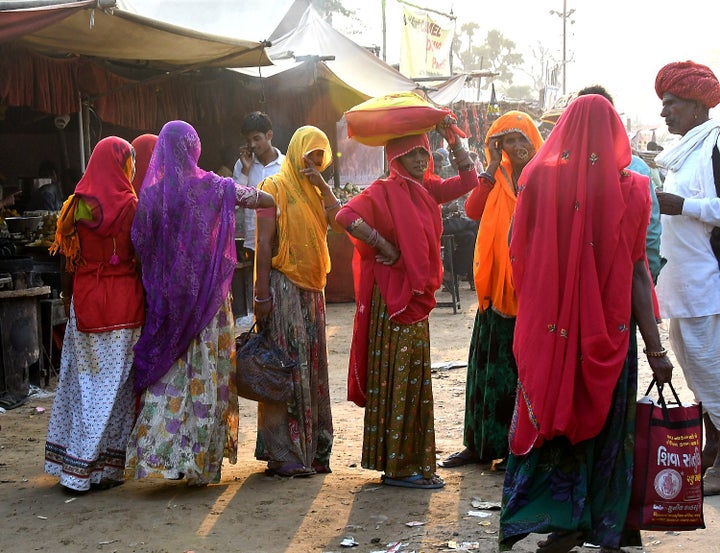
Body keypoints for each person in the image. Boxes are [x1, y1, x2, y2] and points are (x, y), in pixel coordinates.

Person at [499, 95, 673, 553]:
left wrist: (546, 308)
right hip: (611, 336)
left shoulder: (536, 179)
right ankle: (604, 524)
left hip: (550, 333)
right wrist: (657, 350)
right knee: (608, 425)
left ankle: (557, 519)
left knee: (552, 415)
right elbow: (639, 272)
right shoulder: (633, 188)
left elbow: (516, 252)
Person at [125, 120, 274, 486]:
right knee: (208, 374)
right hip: (208, 298)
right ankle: (201, 463)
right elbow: (264, 200)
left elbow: (140, 243)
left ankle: (164, 457)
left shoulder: (153, 194)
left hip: (168, 302)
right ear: (195, 148)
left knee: (170, 375)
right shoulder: (215, 186)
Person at [335, 119, 480, 489]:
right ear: (396, 155)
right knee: (401, 377)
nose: (420, 159)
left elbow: (468, 183)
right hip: (395, 298)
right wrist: (383, 245)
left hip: (414, 295)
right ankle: (400, 468)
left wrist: (452, 137)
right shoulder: (383, 190)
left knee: (408, 377)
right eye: (412, 153)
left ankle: (400, 463)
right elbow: (345, 216)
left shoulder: (427, 187)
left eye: (424, 152)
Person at [440, 111, 543, 469]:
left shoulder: (544, 177)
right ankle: (479, 445)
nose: (515, 148)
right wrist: (488, 170)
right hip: (493, 291)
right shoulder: (494, 177)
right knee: (485, 372)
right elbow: (471, 210)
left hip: (531, 293)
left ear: (533, 140)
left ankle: (519, 449)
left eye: (520, 139)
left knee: (523, 376)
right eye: (506, 142)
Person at [44, 136, 144, 493]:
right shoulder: (132, 205)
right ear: (121, 164)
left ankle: (76, 467)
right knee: (115, 390)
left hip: (86, 300)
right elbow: (140, 255)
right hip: (124, 303)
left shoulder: (77, 204)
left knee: (84, 385)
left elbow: (67, 258)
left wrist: (70, 296)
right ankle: (99, 470)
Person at [253, 125, 341, 477]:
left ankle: (315, 451)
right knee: (286, 367)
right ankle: (283, 453)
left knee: (313, 367)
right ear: (295, 153)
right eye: (309, 156)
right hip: (284, 287)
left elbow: (340, 221)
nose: (314, 163)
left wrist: (322, 184)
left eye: (321, 157)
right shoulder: (272, 188)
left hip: (313, 291)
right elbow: (262, 245)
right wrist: (260, 295)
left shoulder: (317, 192)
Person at [653, 60, 720, 494]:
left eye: (671, 103)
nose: (664, 113)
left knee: (712, 374)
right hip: (681, 283)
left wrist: (686, 207)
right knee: (697, 374)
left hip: (707, 285)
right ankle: (711, 454)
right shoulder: (682, 152)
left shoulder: (715, 145)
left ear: (697, 105)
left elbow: (701, 207)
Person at [577, 84, 664, 282]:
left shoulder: (636, 168)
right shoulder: (637, 166)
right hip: (621, 276)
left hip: (614, 275)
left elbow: (649, 228)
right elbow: (650, 231)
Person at [233, 111, 285, 260]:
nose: (252, 145)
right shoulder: (242, 165)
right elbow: (234, 204)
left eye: (257, 139)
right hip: (251, 244)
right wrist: (245, 171)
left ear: (269, 135)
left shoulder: (285, 166)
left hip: (280, 243)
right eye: (248, 140)